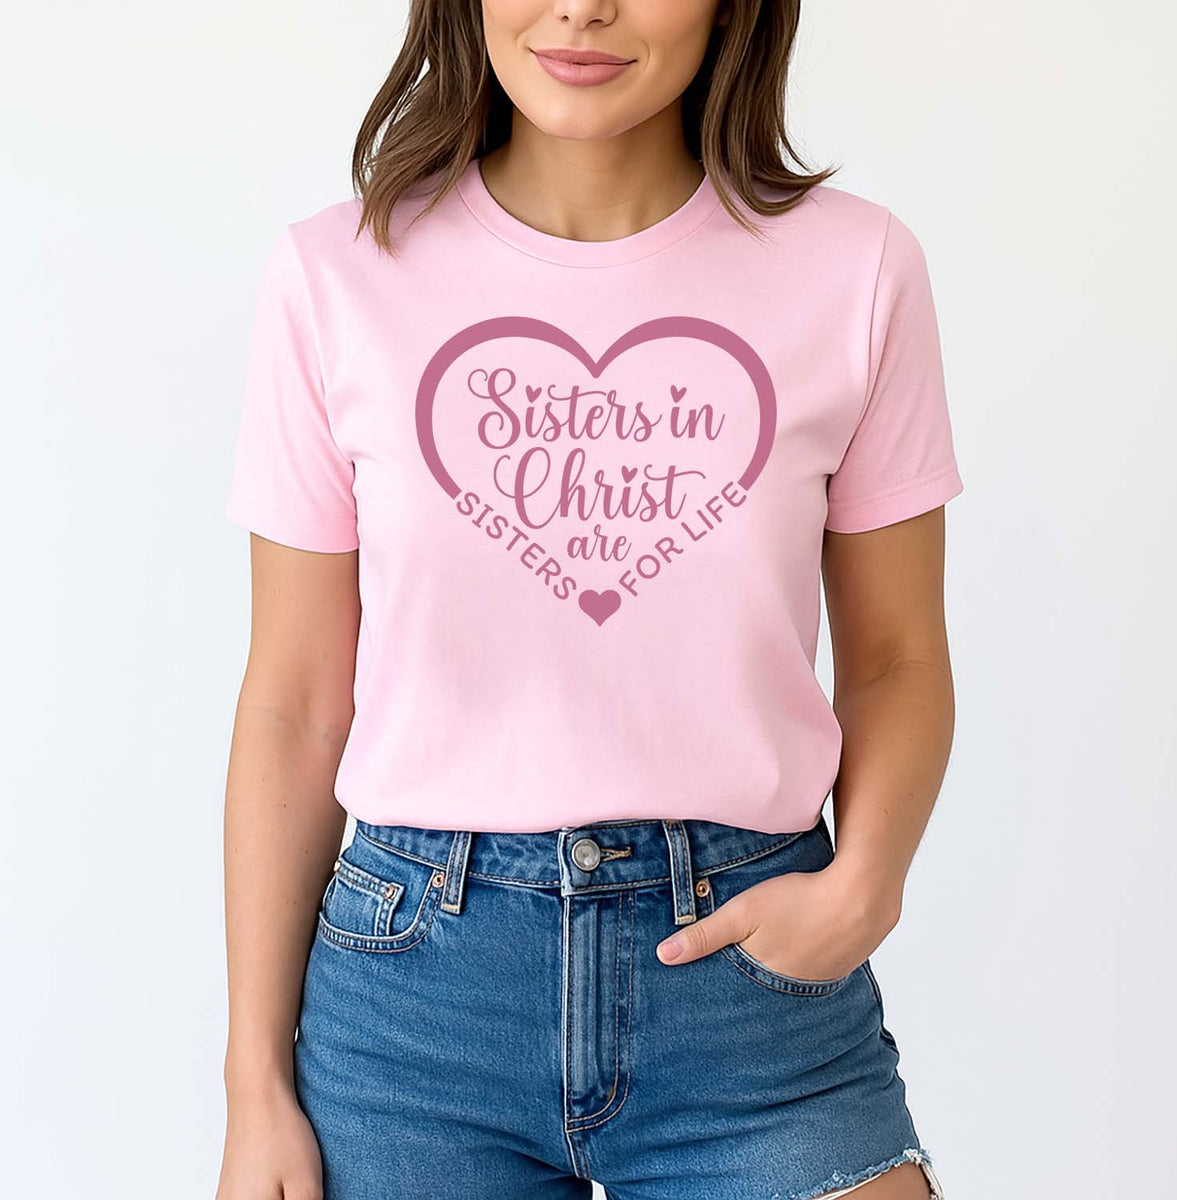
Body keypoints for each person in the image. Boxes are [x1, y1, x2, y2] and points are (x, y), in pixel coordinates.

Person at [216, 2, 963, 1197]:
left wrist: (867, 882)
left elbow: (896, 659)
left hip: (752, 988)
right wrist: (254, 1084)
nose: (582, 8)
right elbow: (297, 705)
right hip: (414, 1004)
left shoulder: (856, 267)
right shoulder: (336, 276)